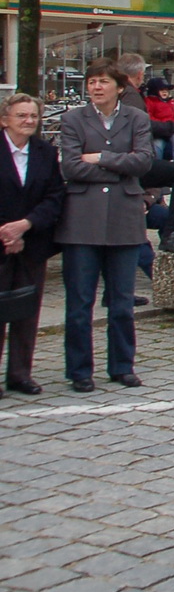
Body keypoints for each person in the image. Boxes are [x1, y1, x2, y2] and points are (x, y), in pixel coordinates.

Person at [55, 59, 156, 392]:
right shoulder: (72, 119)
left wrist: (98, 157)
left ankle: (122, 365)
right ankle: (80, 370)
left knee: (122, 301)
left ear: (119, 87)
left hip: (124, 218)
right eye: (91, 82)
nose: (96, 87)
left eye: (103, 82)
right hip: (82, 220)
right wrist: (119, 166)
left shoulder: (137, 118)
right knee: (80, 303)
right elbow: (71, 167)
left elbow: (142, 162)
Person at [0, 93, 65, 396]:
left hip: (33, 243)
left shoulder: (45, 153)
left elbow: (55, 197)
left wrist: (26, 226)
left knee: (27, 310)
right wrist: (7, 234)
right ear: (4, 120)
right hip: (1, 242)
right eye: (21, 116)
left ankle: (20, 374)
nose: (28, 121)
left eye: (33, 116)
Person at [116, 53, 174, 254]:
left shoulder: (131, 94)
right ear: (139, 74)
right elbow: (143, 126)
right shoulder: (130, 95)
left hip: (134, 165)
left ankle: (171, 225)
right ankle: (171, 231)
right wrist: (172, 127)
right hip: (129, 166)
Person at [141, 78, 174, 163]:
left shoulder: (172, 103)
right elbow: (149, 117)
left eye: (167, 90)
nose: (165, 92)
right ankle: (158, 166)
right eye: (161, 90)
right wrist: (165, 124)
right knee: (157, 145)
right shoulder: (150, 102)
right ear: (154, 91)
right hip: (159, 133)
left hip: (173, 130)